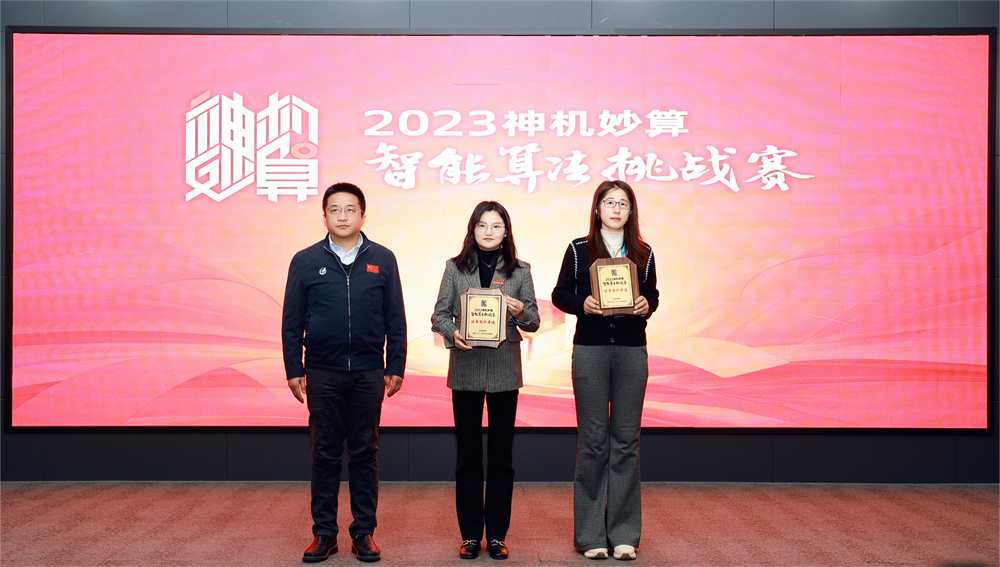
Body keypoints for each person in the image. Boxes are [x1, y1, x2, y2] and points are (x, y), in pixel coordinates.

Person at [282, 182, 407, 564]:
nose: (342, 216)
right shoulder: (305, 260)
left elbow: (395, 317)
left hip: (368, 372)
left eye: (350, 209)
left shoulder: (383, 259)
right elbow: (292, 320)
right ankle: (324, 534)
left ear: (362, 215)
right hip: (323, 372)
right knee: (324, 454)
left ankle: (363, 532)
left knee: (365, 453)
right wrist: (294, 368)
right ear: (324, 216)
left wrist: (395, 364)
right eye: (334, 209)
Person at [551, 180, 659, 561]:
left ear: (631, 211)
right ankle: (591, 535)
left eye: (623, 204)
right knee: (593, 441)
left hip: (631, 351)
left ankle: (625, 534)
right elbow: (560, 294)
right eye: (609, 202)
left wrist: (647, 304)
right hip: (591, 351)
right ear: (597, 208)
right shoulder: (578, 250)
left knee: (627, 441)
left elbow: (653, 294)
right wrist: (584, 304)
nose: (616, 209)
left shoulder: (644, 252)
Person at [431, 201, 540, 561]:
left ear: (506, 232)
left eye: (496, 226)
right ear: (472, 229)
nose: (489, 232)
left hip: (504, 371)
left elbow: (534, 320)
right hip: (465, 368)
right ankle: (469, 535)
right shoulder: (454, 267)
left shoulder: (520, 270)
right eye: (482, 225)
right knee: (467, 457)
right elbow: (439, 314)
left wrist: (521, 311)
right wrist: (452, 332)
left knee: (501, 458)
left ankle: (496, 535)